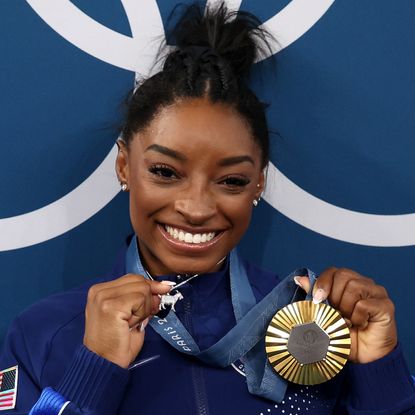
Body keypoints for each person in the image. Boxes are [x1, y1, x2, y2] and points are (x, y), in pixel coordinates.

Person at [1, 3, 414, 414]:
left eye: (231, 180)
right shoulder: (43, 333)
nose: (196, 208)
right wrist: (92, 373)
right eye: (165, 171)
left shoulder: (320, 328)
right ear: (125, 165)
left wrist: (382, 378)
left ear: (259, 182)